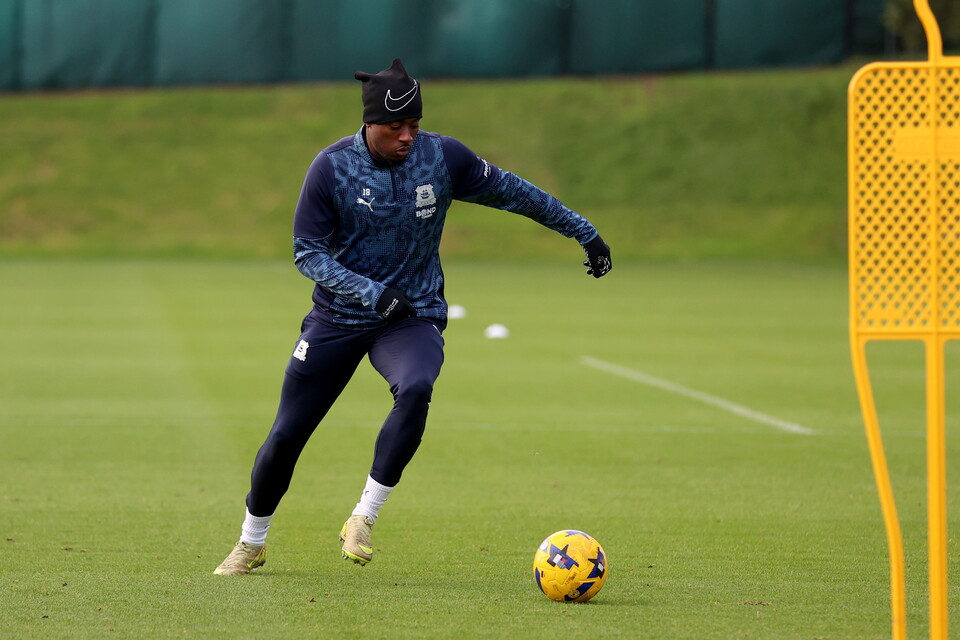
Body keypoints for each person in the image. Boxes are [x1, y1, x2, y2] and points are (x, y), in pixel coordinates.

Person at [214, 58, 612, 575]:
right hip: (338, 316)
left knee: (418, 384)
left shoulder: (441, 158)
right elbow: (307, 253)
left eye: (414, 126)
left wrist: (583, 230)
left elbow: (516, 193)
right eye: (395, 127)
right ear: (369, 125)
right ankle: (251, 541)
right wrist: (371, 292)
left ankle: (363, 516)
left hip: (412, 316)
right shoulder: (331, 167)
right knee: (288, 434)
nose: (407, 137)